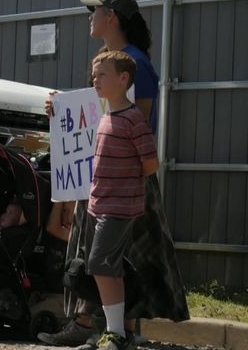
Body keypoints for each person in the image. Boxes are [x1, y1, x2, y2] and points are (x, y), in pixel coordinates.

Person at [38, 0, 189, 348]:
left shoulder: (136, 65)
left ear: (114, 17)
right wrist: (62, 111)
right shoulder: (108, 60)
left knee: (122, 256)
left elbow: (138, 122)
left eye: (96, 10)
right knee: (97, 253)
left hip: (126, 182)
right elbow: (100, 114)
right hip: (101, 179)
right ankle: (97, 324)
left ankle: (114, 329)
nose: (90, 16)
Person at [86, 50, 159, 350]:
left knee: (100, 263)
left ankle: (115, 333)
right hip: (100, 205)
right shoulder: (106, 114)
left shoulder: (133, 119)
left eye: (102, 74)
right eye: (95, 74)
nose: (95, 79)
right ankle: (116, 332)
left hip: (119, 207)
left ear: (123, 78)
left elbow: (150, 164)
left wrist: (126, 183)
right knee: (107, 265)